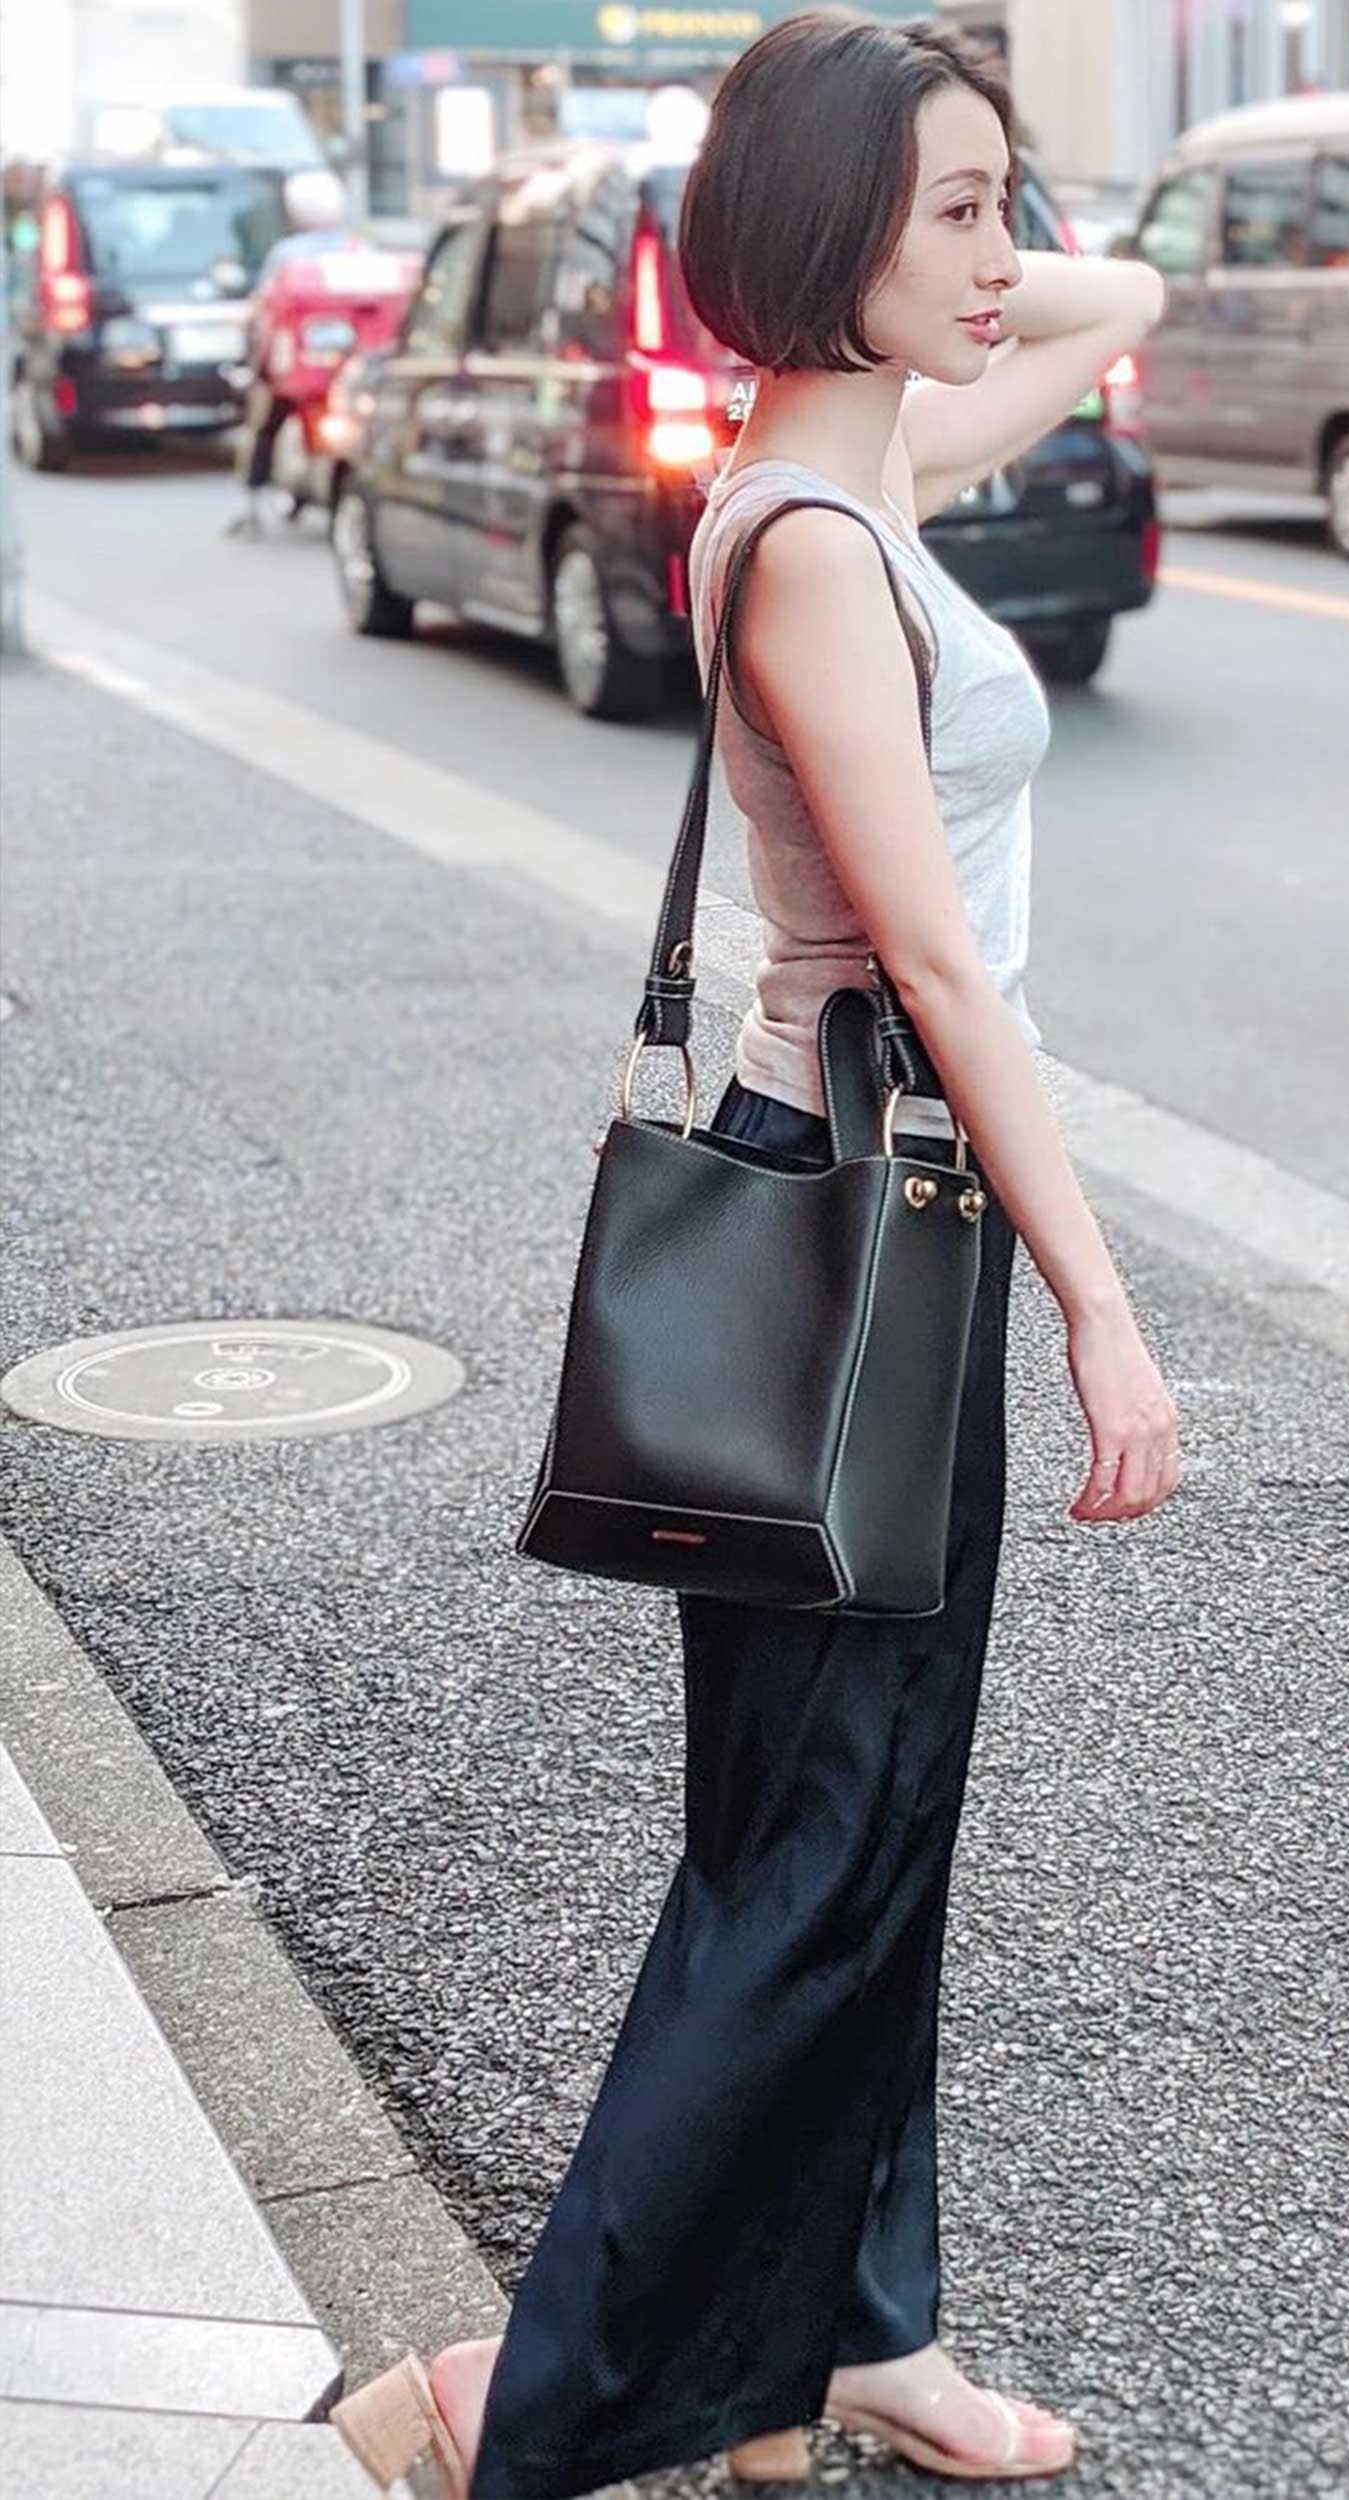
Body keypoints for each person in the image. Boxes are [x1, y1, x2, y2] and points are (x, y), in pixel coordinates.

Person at [331, 13, 1177, 2498]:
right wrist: (1106, 1301)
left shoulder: (855, 473)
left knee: (846, 1826)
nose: (1004, 250)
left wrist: (966, 209)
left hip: (873, 1203)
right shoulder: (808, 548)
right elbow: (931, 968)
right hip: (862, 1211)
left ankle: (856, 2333)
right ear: (819, 240)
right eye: (947, 209)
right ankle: (512, 2405)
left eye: (1000, 198)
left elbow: (1106, 305)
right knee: (808, 1859)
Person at [226, 167, 362, 536]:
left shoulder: (286, 255)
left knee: (265, 425)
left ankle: (252, 504)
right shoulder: (356, 249)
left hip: (292, 366)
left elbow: (262, 307)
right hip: (346, 363)